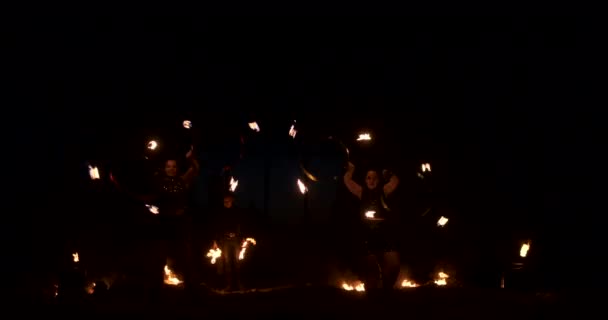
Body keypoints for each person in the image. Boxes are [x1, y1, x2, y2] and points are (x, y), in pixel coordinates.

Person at [110, 146, 200, 299]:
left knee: (185, 258)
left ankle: (192, 291)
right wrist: (121, 187)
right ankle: (155, 292)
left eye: (174, 166)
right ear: (164, 168)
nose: (171, 169)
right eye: (168, 166)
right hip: (163, 224)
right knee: (158, 258)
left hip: (180, 225)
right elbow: (145, 197)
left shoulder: (183, 181)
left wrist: (191, 158)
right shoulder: (159, 184)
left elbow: (195, 168)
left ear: (177, 169)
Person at [343, 161, 400, 295]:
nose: (371, 180)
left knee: (393, 265)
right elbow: (347, 181)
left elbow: (395, 181)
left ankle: (387, 291)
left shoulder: (384, 190)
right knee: (370, 273)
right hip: (367, 237)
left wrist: (389, 173)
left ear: (379, 180)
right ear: (365, 180)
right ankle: (372, 290)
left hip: (384, 235)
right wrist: (351, 170)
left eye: (374, 177)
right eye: (369, 177)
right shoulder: (361, 191)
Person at [210, 193, 251, 292]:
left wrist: (243, 238)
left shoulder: (237, 211)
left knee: (237, 262)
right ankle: (229, 285)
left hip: (236, 240)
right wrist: (215, 241)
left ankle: (239, 284)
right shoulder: (221, 212)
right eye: (224, 201)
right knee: (227, 263)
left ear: (232, 200)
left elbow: (241, 224)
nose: (225, 203)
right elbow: (216, 227)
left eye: (227, 201)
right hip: (225, 241)